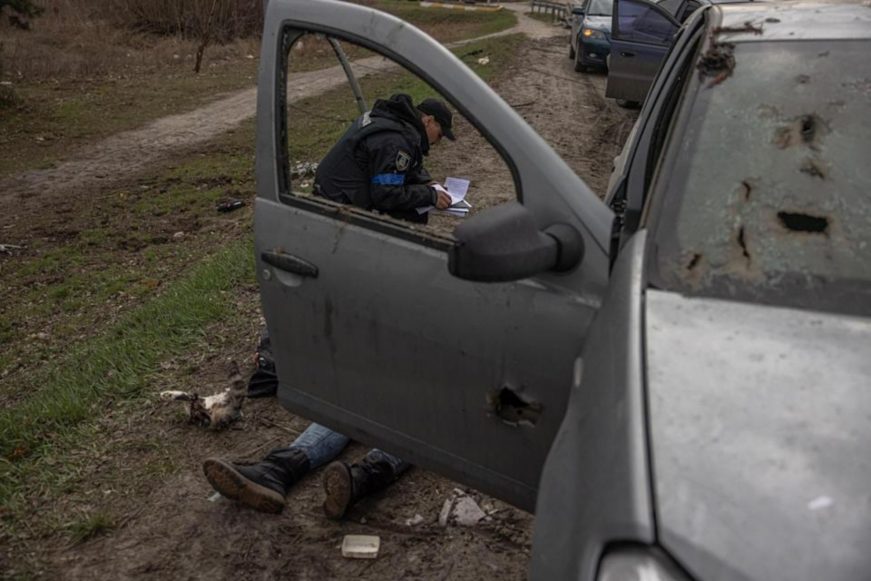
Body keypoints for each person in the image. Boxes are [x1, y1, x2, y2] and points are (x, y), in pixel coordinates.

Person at [203, 93, 456, 518]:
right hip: (399, 367)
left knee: (403, 412)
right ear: (427, 120)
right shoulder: (394, 137)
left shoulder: (388, 128)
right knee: (383, 407)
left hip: (410, 380)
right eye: (438, 130)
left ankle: (330, 476)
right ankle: (282, 473)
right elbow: (387, 188)